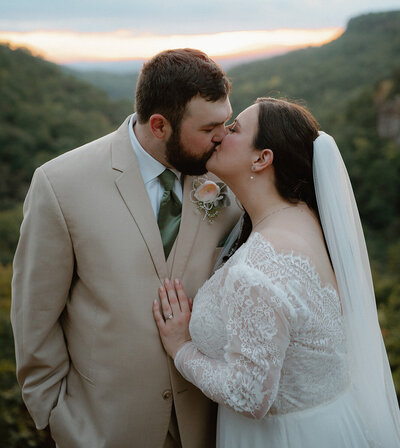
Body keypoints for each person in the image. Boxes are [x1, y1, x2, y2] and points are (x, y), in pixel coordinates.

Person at [11, 48, 242, 448]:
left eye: (227, 123)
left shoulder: (226, 181)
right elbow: (34, 317)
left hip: (209, 427)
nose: (222, 138)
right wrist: (53, 416)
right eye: (209, 129)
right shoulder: (60, 184)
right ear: (159, 125)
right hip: (103, 429)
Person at [153, 97, 400, 448]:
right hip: (333, 421)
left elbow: (249, 395)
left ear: (262, 158)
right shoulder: (307, 217)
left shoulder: (254, 272)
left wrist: (181, 348)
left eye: (234, 128)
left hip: (283, 437)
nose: (221, 134)